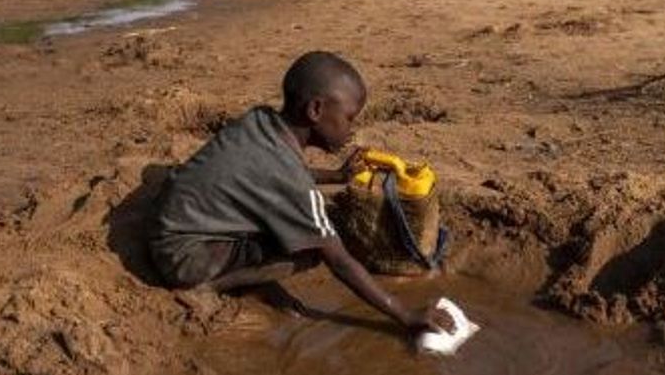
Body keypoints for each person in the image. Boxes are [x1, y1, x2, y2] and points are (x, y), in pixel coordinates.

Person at [149, 51, 454, 336]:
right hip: (183, 259)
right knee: (311, 250)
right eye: (349, 118)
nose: (351, 130)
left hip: (175, 226)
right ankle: (215, 284)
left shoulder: (261, 121)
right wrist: (404, 314)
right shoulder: (290, 178)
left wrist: (335, 177)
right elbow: (338, 260)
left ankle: (244, 275)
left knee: (296, 225)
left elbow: (268, 175)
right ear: (316, 110)